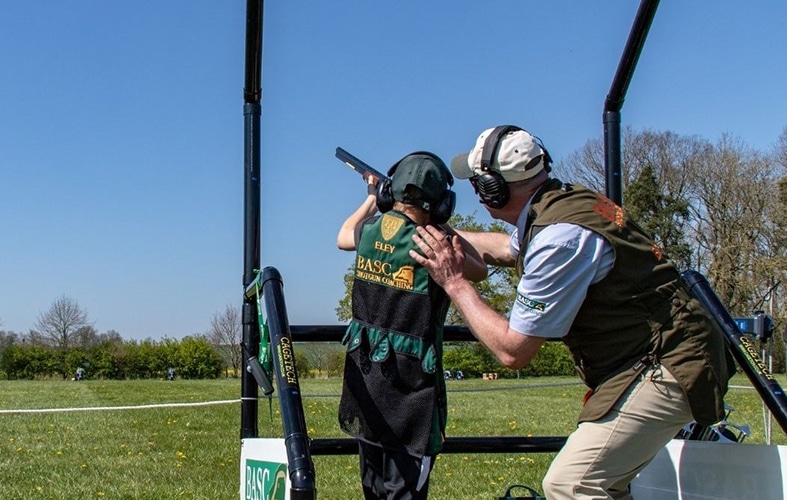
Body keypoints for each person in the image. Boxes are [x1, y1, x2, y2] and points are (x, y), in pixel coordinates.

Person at [409, 125, 734, 499]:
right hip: (655, 354)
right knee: (600, 483)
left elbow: (513, 351)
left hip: (669, 361)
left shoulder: (558, 237)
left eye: (478, 183)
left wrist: (454, 282)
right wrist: (430, 228)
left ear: (492, 189)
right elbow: (505, 249)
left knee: (572, 483)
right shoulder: (559, 205)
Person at [337, 151, 486, 499]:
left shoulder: (371, 231)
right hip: (412, 394)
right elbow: (479, 268)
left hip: (367, 380)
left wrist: (372, 199)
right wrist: (441, 227)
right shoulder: (437, 245)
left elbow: (344, 235)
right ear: (441, 204)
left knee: (372, 489)